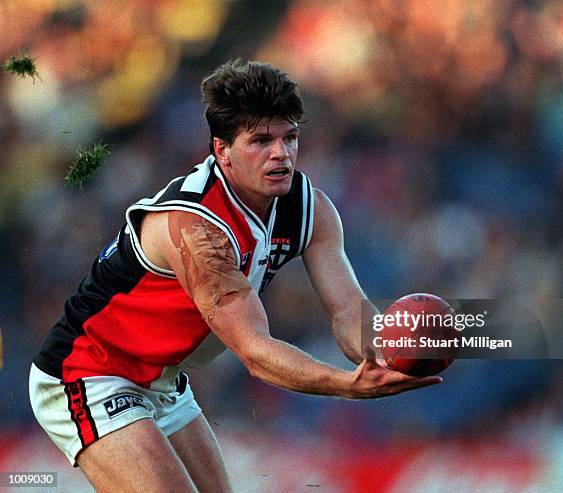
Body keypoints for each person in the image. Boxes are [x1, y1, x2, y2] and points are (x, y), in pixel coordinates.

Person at [29, 60, 442, 492]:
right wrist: (344, 385)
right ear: (221, 150)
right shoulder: (195, 229)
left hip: (162, 379)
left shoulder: (310, 208)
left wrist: (386, 353)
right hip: (88, 370)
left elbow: (347, 310)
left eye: (290, 137)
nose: (280, 153)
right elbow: (254, 352)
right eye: (260, 141)